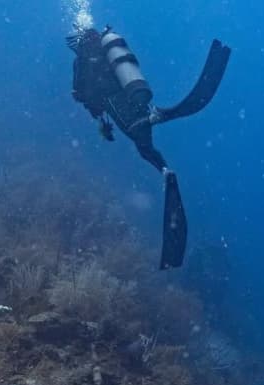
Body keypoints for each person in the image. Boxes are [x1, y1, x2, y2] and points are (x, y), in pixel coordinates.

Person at [66, 25, 231, 269]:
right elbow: (131, 66)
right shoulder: (109, 48)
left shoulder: (81, 62)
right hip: (135, 98)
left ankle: (163, 165)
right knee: (144, 141)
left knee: (142, 146)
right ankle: (156, 123)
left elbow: (85, 96)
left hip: (118, 108)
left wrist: (92, 111)